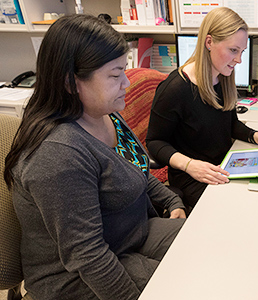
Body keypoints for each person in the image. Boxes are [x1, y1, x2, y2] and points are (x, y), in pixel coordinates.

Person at [3, 14, 186, 300]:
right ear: (70, 82)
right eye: (115, 75)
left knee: (203, 244)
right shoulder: (58, 153)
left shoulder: (104, 114)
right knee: (186, 284)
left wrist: (171, 200)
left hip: (128, 236)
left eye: (124, 70)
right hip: (75, 278)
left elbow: (135, 170)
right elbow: (88, 255)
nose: (126, 83)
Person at [146, 7, 258, 209]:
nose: (239, 60)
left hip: (224, 166)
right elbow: (155, 142)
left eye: (241, 52)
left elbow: (229, 123)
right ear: (209, 42)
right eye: (233, 50)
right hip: (193, 177)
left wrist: (255, 136)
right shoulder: (174, 89)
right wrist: (190, 165)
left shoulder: (223, 78)